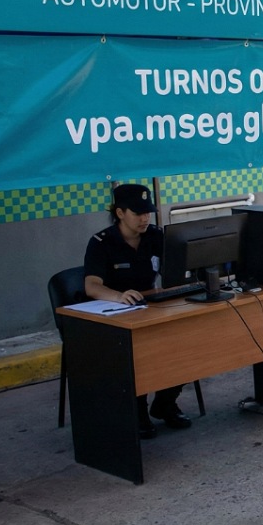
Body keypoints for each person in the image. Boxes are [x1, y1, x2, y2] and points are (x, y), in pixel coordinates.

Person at [82, 183, 190, 439]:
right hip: (115, 315)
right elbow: (91, 286)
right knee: (139, 352)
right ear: (120, 213)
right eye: (138, 212)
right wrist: (119, 296)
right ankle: (137, 409)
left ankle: (165, 403)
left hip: (148, 308)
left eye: (148, 212)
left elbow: (174, 268)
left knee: (186, 340)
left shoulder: (155, 236)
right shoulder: (101, 242)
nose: (145, 218)